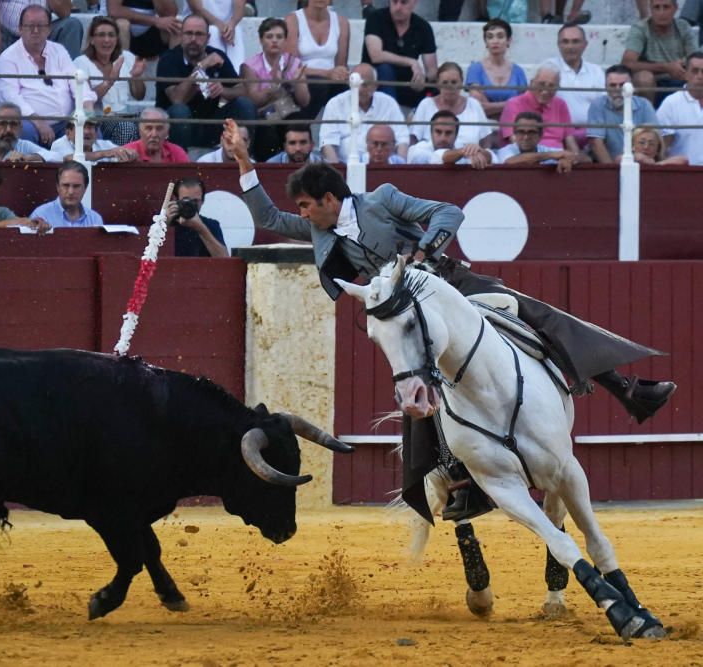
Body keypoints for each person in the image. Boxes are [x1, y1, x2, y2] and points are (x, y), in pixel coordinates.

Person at [221, 116, 677, 520]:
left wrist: (422, 250)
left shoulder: (380, 199)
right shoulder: (319, 230)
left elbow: (448, 212)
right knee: (415, 391)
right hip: (405, 316)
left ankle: (628, 390)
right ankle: (457, 478)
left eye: (304, 205)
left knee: (534, 313)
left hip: (450, 286)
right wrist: (243, 159)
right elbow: (265, 215)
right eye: (300, 210)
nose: (300, 215)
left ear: (326, 198)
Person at [0, 5, 97, 147]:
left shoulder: (58, 50)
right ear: (20, 28)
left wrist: (87, 107)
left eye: (41, 26)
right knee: (24, 131)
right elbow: (11, 98)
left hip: (65, 121)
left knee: (90, 129)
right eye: (30, 26)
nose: (35, 31)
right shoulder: (7, 59)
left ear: (49, 29)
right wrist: (39, 122)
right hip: (31, 122)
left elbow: (76, 80)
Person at [155, 14, 256, 150]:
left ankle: (246, 157)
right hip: (176, 129)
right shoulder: (168, 59)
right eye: (189, 33)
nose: (193, 39)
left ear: (208, 38)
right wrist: (201, 66)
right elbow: (177, 99)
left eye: (199, 34)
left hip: (211, 124)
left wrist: (223, 90)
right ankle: (179, 164)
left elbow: (243, 90)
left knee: (244, 104)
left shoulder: (217, 56)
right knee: (180, 111)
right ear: (181, 36)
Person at [240, 17, 311, 161]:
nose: (274, 40)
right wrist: (273, 87)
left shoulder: (294, 63)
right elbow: (254, 100)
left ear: (285, 40)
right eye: (269, 36)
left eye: (279, 37)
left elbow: (304, 101)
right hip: (264, 115)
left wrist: (299, 83)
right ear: (261, 40)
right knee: (267, 130)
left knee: (298, 122)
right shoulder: (250, 65)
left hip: (289, 112)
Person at [72, 16, 147, 145]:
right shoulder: (80, 63)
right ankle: (119, 163)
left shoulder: (127, 57)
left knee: (154, 122)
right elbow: (86, 100)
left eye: (111, 35)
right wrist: (110, 80)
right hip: (99, 121)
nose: (107, 40)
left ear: (117, 39)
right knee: (126, 128)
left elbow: (139, 95)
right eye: (101, 35)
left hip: (126, 115)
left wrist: (136, 77)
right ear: (92, 40)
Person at [319, 63, 409, 163]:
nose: (360, 89)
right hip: (345, 167)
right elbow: (327, 143)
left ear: (375, 86)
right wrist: (337, 172)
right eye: (356, 85)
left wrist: (400, 169)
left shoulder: (389, 103)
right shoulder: (335, 104)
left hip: (383, 166)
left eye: (365, 85)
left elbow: (402, 139)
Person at [361, 0, 438, 109]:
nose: (398, 7)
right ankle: (390, 115)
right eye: (394, 2)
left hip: (407, 83)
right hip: (376, 82)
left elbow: (432, 71)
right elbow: (376, 56)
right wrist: (411, 62)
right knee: (385, 69)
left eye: (403, 2)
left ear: (414, 3)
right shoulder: (376, 18)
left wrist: (422, 80)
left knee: (440, 84)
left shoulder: (423, 27)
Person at [622, 0, 696, 106]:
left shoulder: (683, 27)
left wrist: (683, 65)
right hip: (653, 81)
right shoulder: (640, 28)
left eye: (666, 7)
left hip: (681, 78)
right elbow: (627, 63)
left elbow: (696, 59)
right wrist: (666, 67)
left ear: (675, 9)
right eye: (657, 7)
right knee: (644, 78)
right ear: (651, 9)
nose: (661, 12)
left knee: (697, 74)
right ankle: (648, 119)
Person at [284, 0, 349, 117]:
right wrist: (327, 74)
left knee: (348, 90)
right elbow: (293, 66)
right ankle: (301, 128)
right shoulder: (293, 20)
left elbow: (341, 64)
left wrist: (340, 73)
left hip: (331, 80)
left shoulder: (342, 22)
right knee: (318, 86)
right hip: (301, 79)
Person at [542, 24, 604, 143]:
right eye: (565, 42)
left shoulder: (596, 71)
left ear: (585, 45)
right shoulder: (548, 69)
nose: (570, 46)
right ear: (558, 44)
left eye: (575, 41)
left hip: (592, 134)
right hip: (558, 133)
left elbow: (603, 105)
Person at [587, 64, 661, 163]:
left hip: (642, 165)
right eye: (613, 85)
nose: (618, 90)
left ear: (632, 87)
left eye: (623, 85)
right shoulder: (598, 105)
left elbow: (655, 140)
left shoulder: (644, 105)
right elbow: (596, 143)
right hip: (610, 166)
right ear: (605, 87)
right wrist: (611, 171)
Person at [499, 65, 583, 151]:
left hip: (558, 158)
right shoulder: (514, 104)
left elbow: (570, 140)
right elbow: (515, 142)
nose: (545, 91)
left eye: (551, 86)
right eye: (541, 84)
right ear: (531, 83)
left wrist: (574, 157)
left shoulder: (560, 104)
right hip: (527, 157)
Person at [409, 61, 490, 147]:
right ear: (438, 84)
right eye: (445, 82)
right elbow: (414, 138)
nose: (450, 87)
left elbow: (485, 140)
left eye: (454, 82)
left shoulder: (474, 105)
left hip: (468, 157)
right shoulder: (426, 104)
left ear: (461, 83)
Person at [466, 19, 528, 121]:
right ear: (485, 42)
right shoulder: (475, 69)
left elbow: (523, 106)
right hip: (483, 125)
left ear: (509, 40)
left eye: (500, 36)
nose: (495, 41)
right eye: (490, 37)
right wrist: (511, 103)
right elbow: (479, 107)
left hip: (513, 127)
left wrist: (492, 107)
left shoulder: (518, 71)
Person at [0, 0, 85, 59]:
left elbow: (65, 12)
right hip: (8, 35)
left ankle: (68, 82)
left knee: (72, 25)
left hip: (43, 35)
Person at [496, 111, 588, 172]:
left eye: (531, 132)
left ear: (540, 135)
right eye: (521, 132)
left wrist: (568, 159)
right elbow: (510, 162)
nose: (526, 137)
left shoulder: (547, 150)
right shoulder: (506, 151)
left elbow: (586, 159)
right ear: (514, 133)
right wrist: (551, 155)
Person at [0, 102, 64, 162]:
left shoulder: (25, 146)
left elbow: (58, 157)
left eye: (13, 124)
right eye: (3, 124)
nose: (8, 129)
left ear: (20, 128)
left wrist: (31, 157)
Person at [165, 176, 229, 257]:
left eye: (195, 201)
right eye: (186, 200)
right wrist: (164, 224)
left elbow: (224, 259)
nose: (190, 205)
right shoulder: (164, 221)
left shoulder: (211, 225)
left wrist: (201, 229)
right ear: (176, 200)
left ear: (202, 201)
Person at [657, 51, 703, 164]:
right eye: (695, 71)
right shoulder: (671, 103)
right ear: (685, 74)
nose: (700, 76)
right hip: (683, 174)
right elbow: (662, 148)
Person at [29, 162, 106, 228]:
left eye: (76, 186)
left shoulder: (95, 219)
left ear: (85, 188)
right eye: (66, 185)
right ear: (58, 187)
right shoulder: (41, 215)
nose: (71, 192)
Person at [411, 110, 496, 169]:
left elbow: (493, 159)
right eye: (438, 132)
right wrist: (464, 151)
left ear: (456, 134)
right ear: (431, 132)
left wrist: (479, 151)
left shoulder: (462, 150)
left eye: (448, 133)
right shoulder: (417, 149)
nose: (443, 138)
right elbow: (440, 157)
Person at [106, 0, 181, 59]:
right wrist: (155, 21)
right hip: (126, 28)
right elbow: (114, 11)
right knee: (122, 24)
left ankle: (174, 73)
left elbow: (170, 13)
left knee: (176, 26)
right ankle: (123, 70)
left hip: (151, 30)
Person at [185, 0, 246, 72]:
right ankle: (216, 72)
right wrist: (219, 25)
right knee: (213, 31)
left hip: (226, 25)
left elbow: (240, 7)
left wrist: (232, 24)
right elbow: (197, 8)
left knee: (236, 31)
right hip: (199, 23)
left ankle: (237, 75)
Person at [51, 117, 138, 162]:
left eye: (90, 127)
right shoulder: (59, 144)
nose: (86, 132)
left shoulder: (105, 145)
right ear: (68, 133)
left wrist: (130, 155)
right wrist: (104, 153)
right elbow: (69, 159)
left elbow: (126, 152)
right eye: (81, 127)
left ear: (96, 133)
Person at [123, 107, 190, 163]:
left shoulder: (177, 153)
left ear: (167, 132)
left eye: (159, 129)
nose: (154, 134)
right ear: (140, 131)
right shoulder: (127, 152)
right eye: (149, 128)